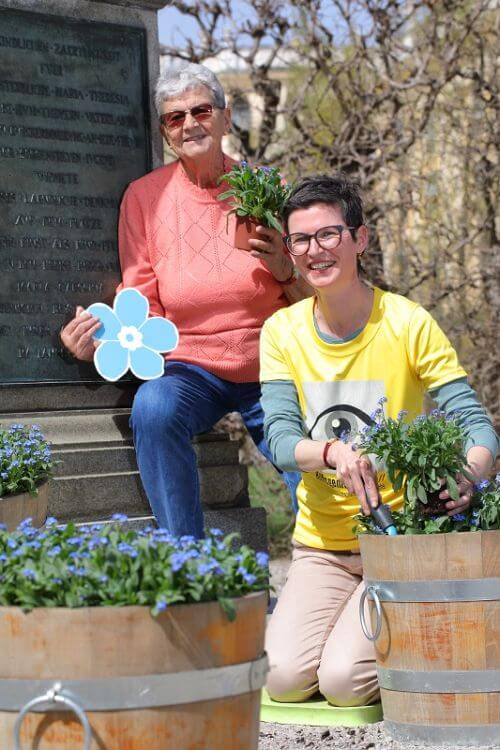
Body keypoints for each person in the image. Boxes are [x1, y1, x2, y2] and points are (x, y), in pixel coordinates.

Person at [260, 174, 498, 707]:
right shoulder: (281, 331)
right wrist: (331, 452)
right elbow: (279, 440)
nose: (315, 251)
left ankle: (415, 620)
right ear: (291, 251)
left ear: (359, 240)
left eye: (329, 235)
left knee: (344, 683)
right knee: (281, 678)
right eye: (300, 240)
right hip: (321, 549)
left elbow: (477, 428)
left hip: (398, 545)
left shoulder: (408, 322)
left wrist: (469, 477)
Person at [61, 62, 308, 537]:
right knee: (152, 409)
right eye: (175, 117)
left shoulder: (267, 188)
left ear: (225, 117)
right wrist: (100, 343)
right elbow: (141, 302)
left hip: (274, 361)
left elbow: (315, 299)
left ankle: (336, 563)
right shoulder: (144, 199)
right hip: (191, 366)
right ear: (164, 133)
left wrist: (285, 269)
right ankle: (188, 561)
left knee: (310, 455)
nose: (190, 124)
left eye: (201, 110)